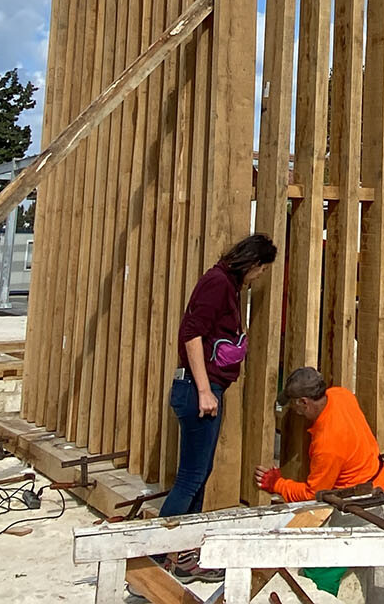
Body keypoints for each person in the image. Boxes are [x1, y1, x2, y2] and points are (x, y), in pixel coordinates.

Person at [158, 232, 278, 581]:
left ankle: (183, 554)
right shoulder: (217, 283)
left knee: (199, 475)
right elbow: (191, 334)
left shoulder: (227, 284)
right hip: (199, 389)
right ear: (254, 263)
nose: (260, 278)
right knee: (189, 478)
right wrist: (203, 391)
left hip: (207, 387)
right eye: (262, 270)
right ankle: (151, 555)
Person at [253, 368, 384, 604]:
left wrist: (277, 484)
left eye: (294, 405)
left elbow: (312, 495)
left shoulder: (328, 443)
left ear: (304, 402)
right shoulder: (341, 395)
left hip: (363, 503)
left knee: (323, 566)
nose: (293, 410)